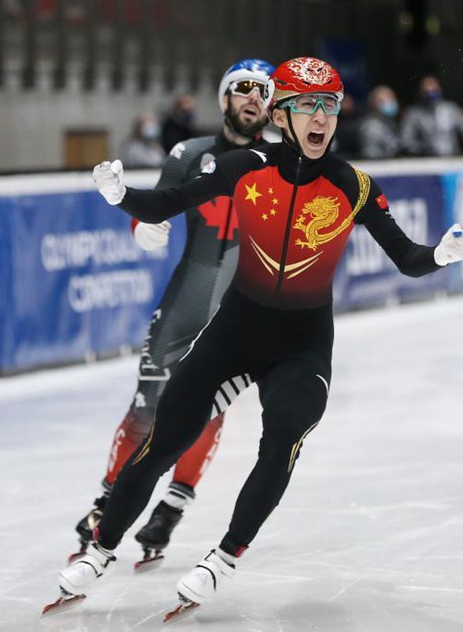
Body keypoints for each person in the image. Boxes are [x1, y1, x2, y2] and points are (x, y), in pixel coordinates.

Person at [53, 57, 463, 615]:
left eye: (330, 105)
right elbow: (165, 204)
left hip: (302, 348)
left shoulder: (353, 185)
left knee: (282, 438)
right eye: (308, 105)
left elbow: (407, 257)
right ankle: (101, 551)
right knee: (162, 441)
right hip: (235, 334)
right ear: (282, 114)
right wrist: (119, 195)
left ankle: (222, 558)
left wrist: (439, 256)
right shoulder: (243, 165)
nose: (321, 117)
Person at [67, 59, 276, 568]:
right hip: (185, 297)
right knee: (146, 406)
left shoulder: (281, 162)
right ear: (224, 99)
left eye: (264, 92)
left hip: (237, 311)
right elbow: (158, 206)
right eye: (243, 88)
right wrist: (143, 229)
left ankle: (173, 506)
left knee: (208, 408)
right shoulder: (190, 153)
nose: (254, 98)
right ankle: (106, 503)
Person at [400, 75, 463, 156]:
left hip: (451, 157)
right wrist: (424, 149)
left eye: (434, 91)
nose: (431, 94)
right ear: (421, 92)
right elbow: (406, 141)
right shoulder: (413, 113)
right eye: (427, 92)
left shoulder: (451, 109)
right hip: (425, 160)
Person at [358, 85, 403, 159]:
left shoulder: (390, 123)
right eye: (383, 100)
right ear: (374, 103)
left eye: (392, 99)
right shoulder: (370, 127)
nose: (390, 103)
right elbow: (370, 154)